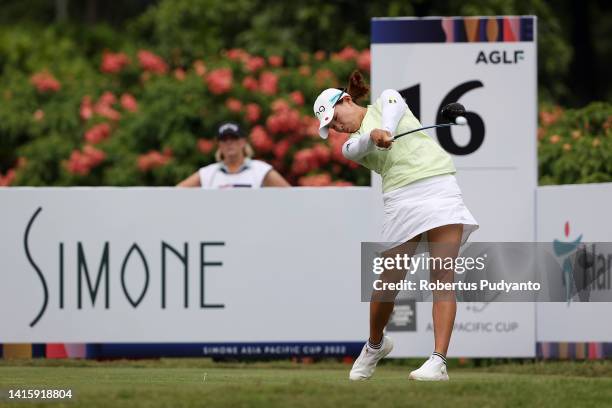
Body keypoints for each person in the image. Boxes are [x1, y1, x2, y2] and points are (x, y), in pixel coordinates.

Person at [313, 71, 479, 381]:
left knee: (443, 276)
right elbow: (363, 144)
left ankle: (438, 362)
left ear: (346, 100)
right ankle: (376, 345)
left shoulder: (387, 98)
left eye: (335, 119)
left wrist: (385, 129)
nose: (337, 128)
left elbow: (394, 105)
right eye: (331, 128)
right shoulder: (349, 146)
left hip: (440, 185)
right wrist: (373, 136)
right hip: (402, 198)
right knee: (388, 282)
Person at [177, 122, 290, 188]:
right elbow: (175, 194)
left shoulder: (261, 170)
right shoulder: (208, 173)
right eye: (224, 139)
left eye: (234, 138)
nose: (229, 143)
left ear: (243, 142)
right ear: (219, 144)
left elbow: (291, 195)